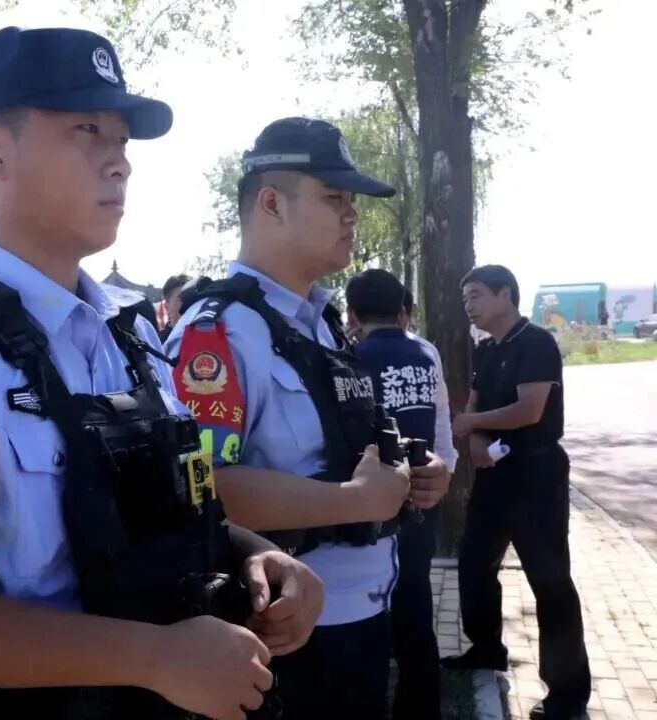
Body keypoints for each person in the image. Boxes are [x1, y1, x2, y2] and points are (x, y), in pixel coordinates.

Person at [0, 27, 324, 720]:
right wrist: (154, 658)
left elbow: (169, 511)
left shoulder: (133, 338)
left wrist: (255, 555)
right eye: (86, 130)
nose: (119, 162)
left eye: (122, 139)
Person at [164, 117, 451, 719]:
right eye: (334, 197)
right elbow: (199, 490)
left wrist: (409, 476)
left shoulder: (321, 326)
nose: (352, 215)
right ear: (271, 203)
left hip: (364, 613)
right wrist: (357, 500)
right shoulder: (218, 333)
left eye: (351, 201)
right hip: (287, 634)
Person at [445, 265, 591, 720]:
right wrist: (475, 440)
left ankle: (567, 694)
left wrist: (472, 424)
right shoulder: (487, 349)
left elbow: (530, 410)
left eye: (475, 295)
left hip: (536, 474)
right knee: (474, 564)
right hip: (495, 474)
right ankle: (486, 648)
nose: (468, 306)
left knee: (549, 580)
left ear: (505, 295)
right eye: (465, 298)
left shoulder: (536, 343)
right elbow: (473, 406)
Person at [346, 269, 449, 720]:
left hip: (373, 501)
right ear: (403, 311)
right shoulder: (426, 353)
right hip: (423, 494)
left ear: (352, 314)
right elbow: (442, 427)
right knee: (415, 601)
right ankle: (421, 707)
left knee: (373, 608)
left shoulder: (350, 358)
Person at [401, 288, 459, 474]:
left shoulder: (426, 351)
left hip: (421, 466)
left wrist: (447, 463)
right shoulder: (351, 350)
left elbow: (440, 410)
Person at [159, 273, 191, 343]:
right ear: (167, 307)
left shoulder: (205, 338)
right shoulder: (156, 342)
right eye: (181, 299)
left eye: (192, 299)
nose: (189, 304)